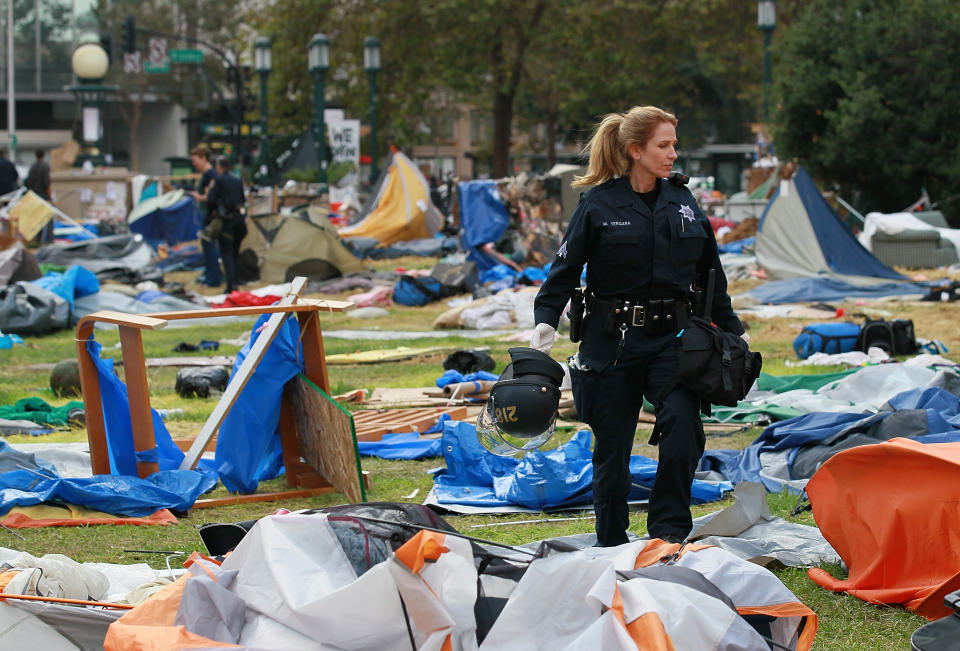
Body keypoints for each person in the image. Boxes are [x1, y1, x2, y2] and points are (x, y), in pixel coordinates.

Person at [530, 106, 746, 547]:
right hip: (611, 343)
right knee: (612, 448)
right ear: (635, 150)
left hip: (674, 341)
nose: (672, 154)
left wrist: (732, 327)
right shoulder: (598, 204)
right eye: (663, 146)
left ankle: (668, 536)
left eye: (673, 145)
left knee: (684, 427)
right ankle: (611, 540)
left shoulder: (683, 204)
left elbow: (710, 274)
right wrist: (544, 323)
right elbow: (565, 268)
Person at [206, 157, 247, 293]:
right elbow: (242, 199)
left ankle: (232, 285)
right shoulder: (237, 180)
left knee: (226, 253)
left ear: (219, 167)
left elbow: (211, 200)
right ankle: (234, 282)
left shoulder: (218, 180)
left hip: (227, 220)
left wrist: (211, 214)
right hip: (239, 220)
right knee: (234, 253)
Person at [189, 145, 222, 287]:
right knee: (207, 246)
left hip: (209, 216)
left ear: (203, 158)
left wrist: (197, 196)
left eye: (195, 160)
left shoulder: (209, 175)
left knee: (209, 246)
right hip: (208, 214)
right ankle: (209, 275)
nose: (193, 163)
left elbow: (210, 197)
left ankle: (212, 279)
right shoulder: (209, 174)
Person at [25, 150, 53, 242]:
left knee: (37, 218)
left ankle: (37, 240)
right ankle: (49, 240)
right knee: (48, 217)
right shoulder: (45, 166)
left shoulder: (32, 167)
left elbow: (28, 182)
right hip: (43, 195)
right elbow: (47, 184)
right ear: (43, 155)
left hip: (34, 195)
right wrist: (50, 197)